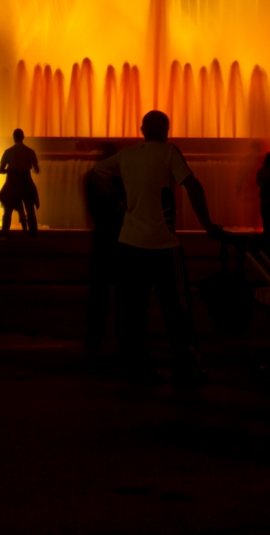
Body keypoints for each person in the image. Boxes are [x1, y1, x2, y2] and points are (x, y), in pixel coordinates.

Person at [90, 110, 225, 383]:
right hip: (164, 245)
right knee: (177, 308)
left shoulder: (126, 155)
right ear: (166, 130)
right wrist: (208, 224)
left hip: (130, 245)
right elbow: (192, 185)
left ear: (142, 129)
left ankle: (140, 367)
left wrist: (120, 200)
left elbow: (96, 174)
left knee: (134, 310)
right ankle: (186, 365)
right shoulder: (168, 153)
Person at [83, 142, 125, 352]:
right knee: (125, 292)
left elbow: (90, 210)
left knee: (98, 292)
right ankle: (125, 337)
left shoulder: (91, 177)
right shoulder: (125, 178)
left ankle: (94, 337)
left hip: (101, 236)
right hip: (122, 237)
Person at [0, 129, 40, 232]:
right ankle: (33, 235)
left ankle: (4, 234)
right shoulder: (30, 151)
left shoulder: (8, 152)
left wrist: (11, 170)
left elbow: (0, 170)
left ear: (13, 137)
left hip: (12, 182)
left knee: (8, 211)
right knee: (30, 211)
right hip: (26, 181)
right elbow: (37, 169)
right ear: (23, 137)